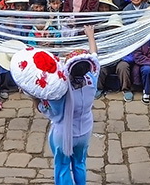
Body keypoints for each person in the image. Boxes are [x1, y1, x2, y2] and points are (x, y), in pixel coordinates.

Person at [36, 25, 99, 185]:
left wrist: (34, 99)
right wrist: (90, 36)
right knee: (80, 164)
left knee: (63, 166)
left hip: (63, 134)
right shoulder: (92, 79)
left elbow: (49, 111)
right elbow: (94, 55)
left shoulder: (60, 89)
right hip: (84, 130)